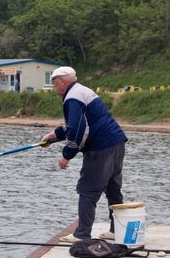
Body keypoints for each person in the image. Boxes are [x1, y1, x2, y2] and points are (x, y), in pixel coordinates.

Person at [41, 66, 128, 243]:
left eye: (55, 84)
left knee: (87, 190)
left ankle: (81, 234)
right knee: (113, 189)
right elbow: (78, 124)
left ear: (63, 82)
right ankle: (117, 230)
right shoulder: (83, 91)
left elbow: (78, 129)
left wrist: (66, 155)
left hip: (100, 148)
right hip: (116, 143)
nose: (54, 88)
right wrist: (53, 136)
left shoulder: (72, 98)